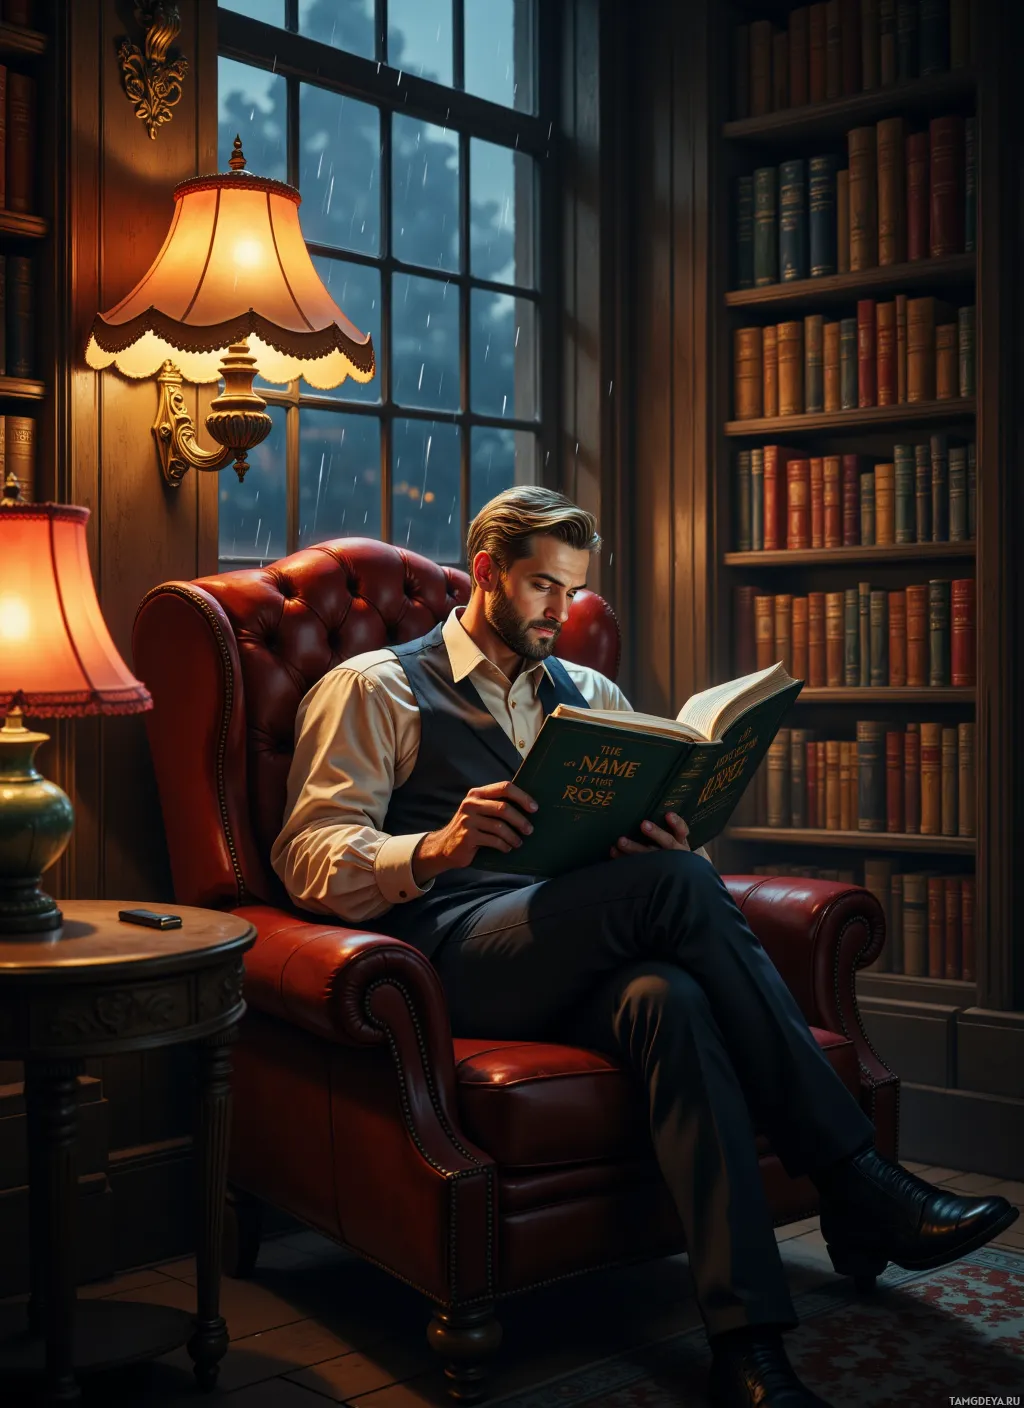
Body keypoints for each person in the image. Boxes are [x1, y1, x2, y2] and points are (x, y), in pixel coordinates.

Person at [272, 487, 1016, 1408]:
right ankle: (856, 1175)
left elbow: (673, 874)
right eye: (541, 585)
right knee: (674, 897)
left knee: (674, 998)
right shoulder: (377, 686)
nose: (558, 610)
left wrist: (668, 842)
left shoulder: (594, 698)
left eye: (572, 590)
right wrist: (436, 847)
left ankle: (749, 1349)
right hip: (452, 957)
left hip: (576, 946)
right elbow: (306, 861)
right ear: (488, 573)